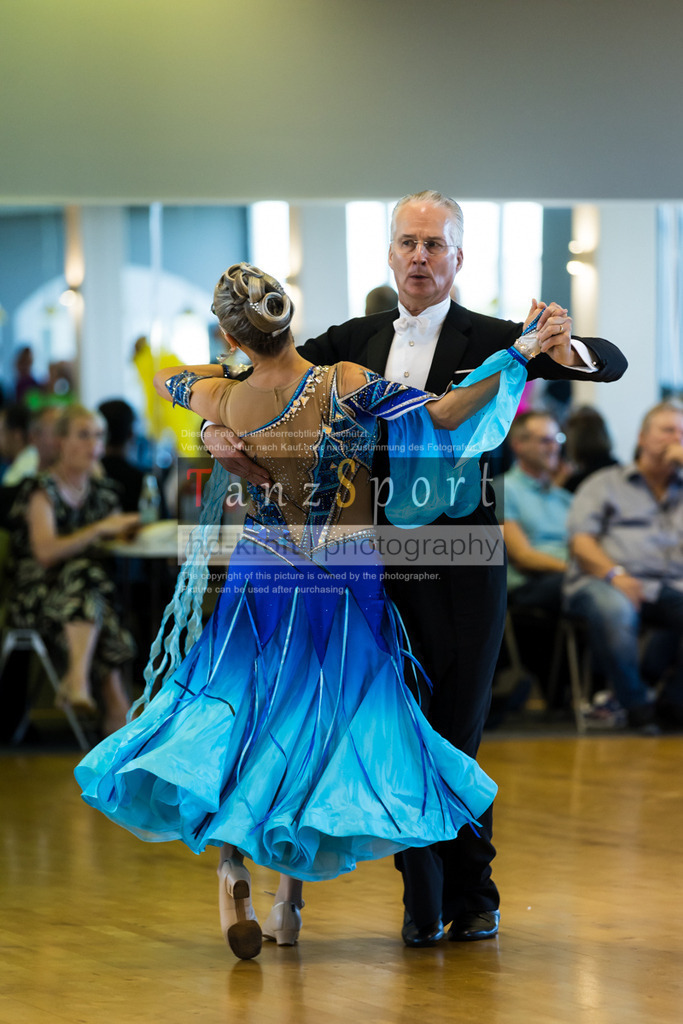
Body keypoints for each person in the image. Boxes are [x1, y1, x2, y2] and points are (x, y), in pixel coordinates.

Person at [75, 261, 540, 962]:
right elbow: (443, 414)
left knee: (245, 721)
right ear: (289, 317)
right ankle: (288, 909)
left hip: (260, 578)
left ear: (233, 335)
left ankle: (235, 873)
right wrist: (515, 357)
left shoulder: (220, 397)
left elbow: (175, 376)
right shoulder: (344, 381)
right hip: (341, 575)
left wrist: (216, 419)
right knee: (313, 730)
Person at [202, 192, 627, 946]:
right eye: (408, 243)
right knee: (390, 723)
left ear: (458, 257)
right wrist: (213, 427)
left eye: (435, 244)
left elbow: (606, 362)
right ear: (391, 255)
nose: (421, 256)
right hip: (365, 559)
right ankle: (422, 900)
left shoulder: (497, 336)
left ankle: (468, 893)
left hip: (460, 559)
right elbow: (254, 373)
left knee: (454, 727)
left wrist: (560, 347)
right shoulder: (351, 339)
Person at [8, 405, 140, 734]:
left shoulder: (103, 492)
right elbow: (46, 554)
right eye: (83, 435)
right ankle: (113, 712)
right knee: (88, 579)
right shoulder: (41, 490)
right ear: (61, 442)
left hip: (86, 599)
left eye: (98, 436)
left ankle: (82, 687)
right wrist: (99, 529)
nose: (93, 445)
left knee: (92, 584)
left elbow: (117, 541)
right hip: (36, 597)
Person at [564, 401, 683, 732]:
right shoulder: (604, 484)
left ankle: (673, 705)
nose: (676, 439)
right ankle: (636, 706)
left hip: (668, 585)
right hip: (604, 580)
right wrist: (615, 574)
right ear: (642, 437)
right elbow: (581, 542)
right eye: (668, 430)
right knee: (615, 609)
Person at [498, 412, 572, 614]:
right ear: (518, 445)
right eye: (545, 440)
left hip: (568, 578)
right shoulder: (502, 489)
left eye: (558, 439)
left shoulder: (564, 498)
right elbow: (523, 556)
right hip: (530, 585)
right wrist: (578, 571)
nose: (555, 447)